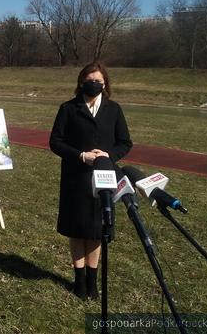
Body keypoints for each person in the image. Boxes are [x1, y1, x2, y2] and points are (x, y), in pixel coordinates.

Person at [49, 61, 132, 301]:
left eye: (98, 80)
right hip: (76, 177)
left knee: (96, 231)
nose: (93, 84)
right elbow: (55, 142)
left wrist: (110, 155)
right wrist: (80, 155)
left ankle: (92, 282)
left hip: (103, 179)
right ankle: (79, 280)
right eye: (89, 80)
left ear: (105, 84)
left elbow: (125, 142)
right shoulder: (68, 108)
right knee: (77, 230)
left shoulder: (114, 109)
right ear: (81, 82)